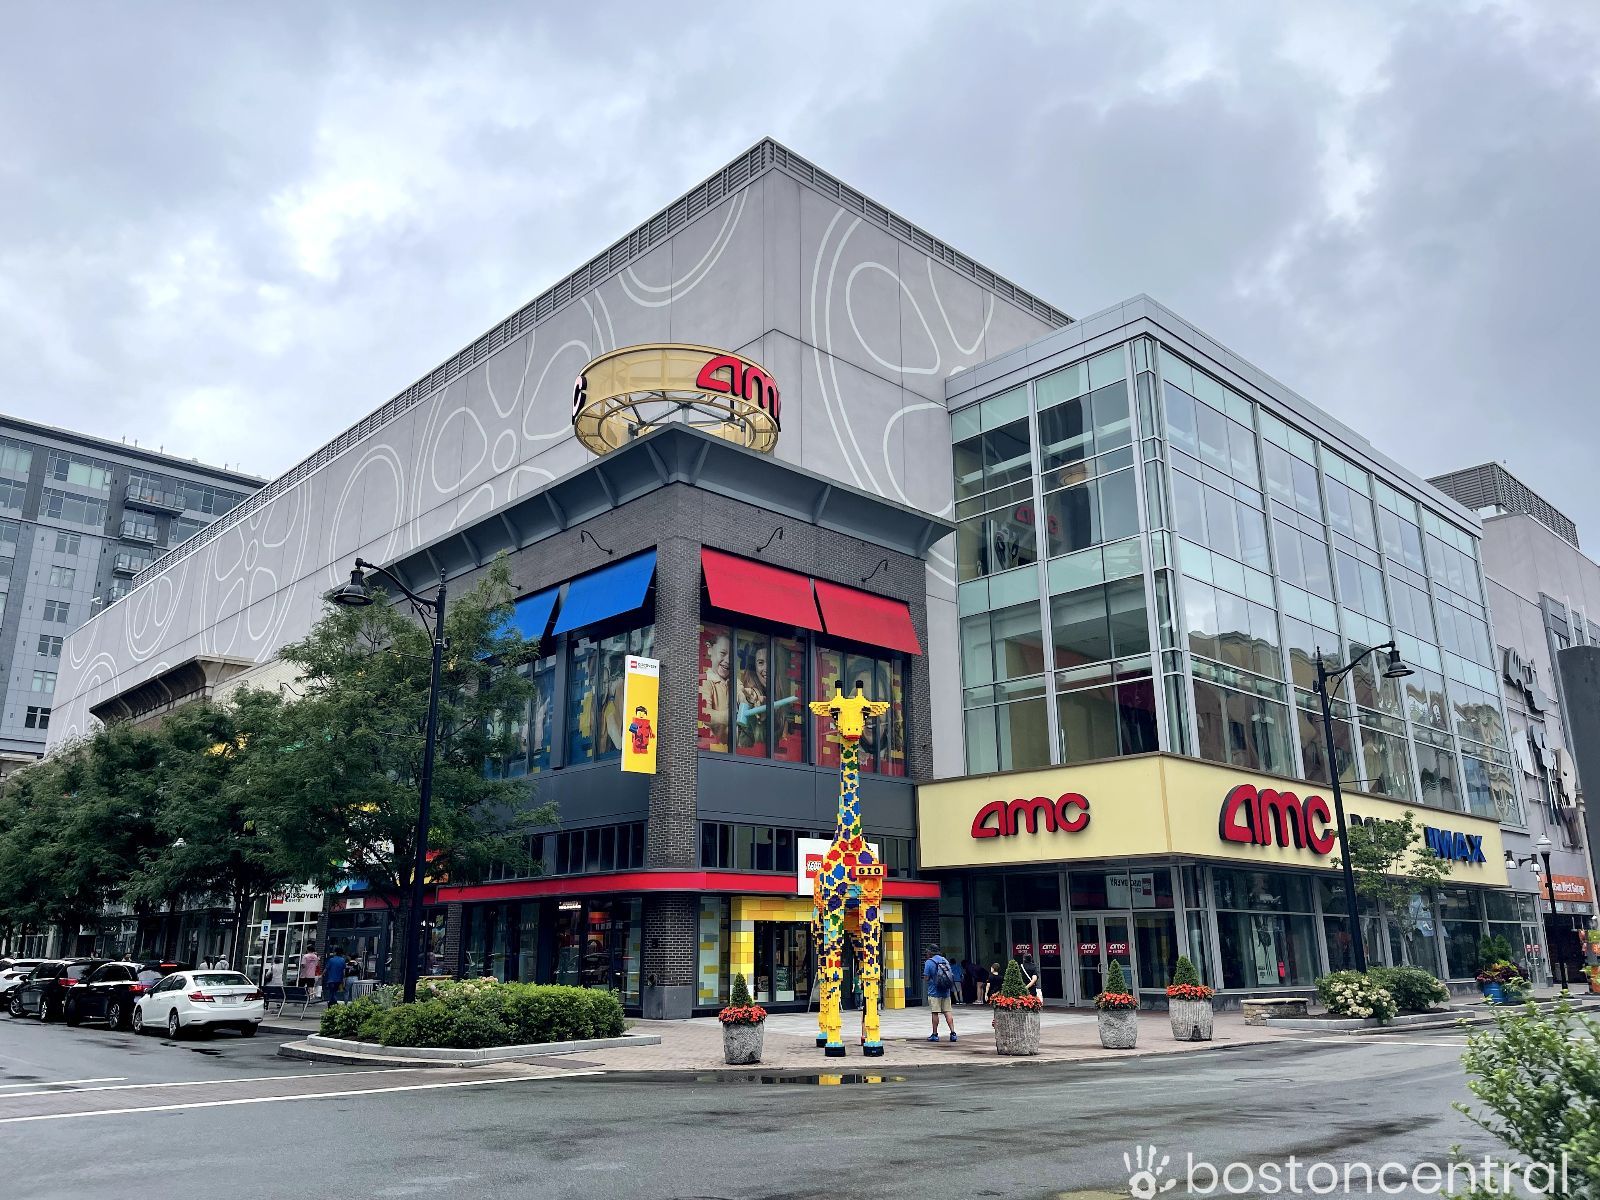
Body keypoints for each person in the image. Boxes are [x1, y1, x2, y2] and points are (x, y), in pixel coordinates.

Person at [923, 946, 957, 1042]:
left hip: (934, 992)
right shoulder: (944, 960)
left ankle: (935, 1034)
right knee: (948, 1012)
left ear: (930, 952)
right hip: (946, 991)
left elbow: (926, 977)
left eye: (927, 952)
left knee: (935, 1013)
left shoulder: (929, 962)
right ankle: (953, 1033)